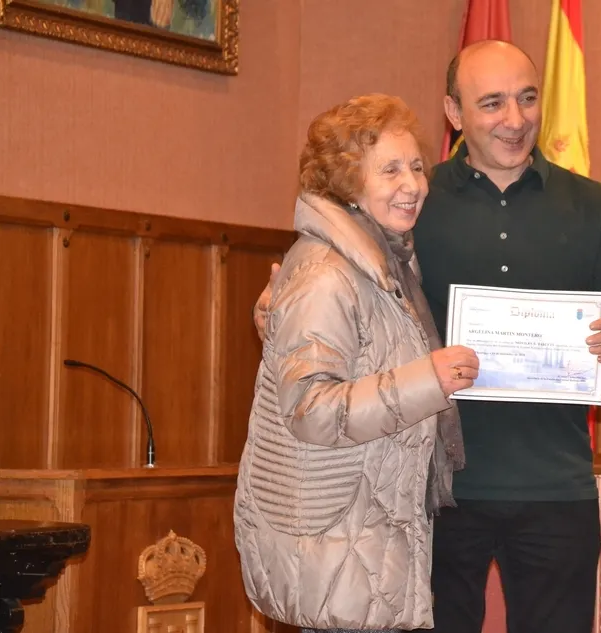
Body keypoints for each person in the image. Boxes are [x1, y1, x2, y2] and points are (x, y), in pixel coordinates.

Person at [254, 41, 601, 633]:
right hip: (434, 489)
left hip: (556, 486)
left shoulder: (590, 203)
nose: (514, 119)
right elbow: (339, 288)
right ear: (454, 111)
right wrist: (277, 308)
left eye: (527, 98)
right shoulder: (412, 202)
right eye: (492, 103)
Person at [233, 93, 480, 633]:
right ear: (348, 182)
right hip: (337, 546)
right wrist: (428, 380)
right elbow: (311, 409)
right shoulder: (328, 273)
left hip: (363, 544)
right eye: (390, 170)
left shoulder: (385, 264)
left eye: (416, 167)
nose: (412, 184)